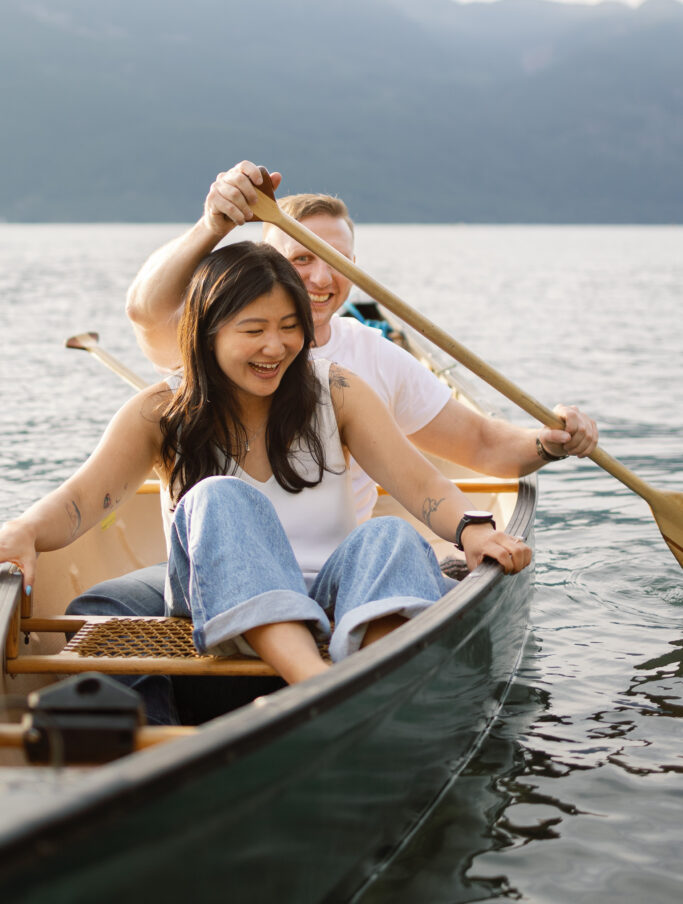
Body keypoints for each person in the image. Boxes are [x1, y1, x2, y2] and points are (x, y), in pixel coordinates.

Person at [0, 244, 530, 717]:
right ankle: (321, 691)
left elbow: (420, 485)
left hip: (334, 604)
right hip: (214, 622)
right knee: (219, 496)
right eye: (253, 331)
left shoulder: (337, 390)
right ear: (207, 333)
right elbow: (81, 500)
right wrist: (25, 530)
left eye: (289, 326)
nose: (275, 347)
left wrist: (473, 529)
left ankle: (379, 690)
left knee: (390, 536)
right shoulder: (160, 411)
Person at [126, 159, 599, 526]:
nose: (321, 277)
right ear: (264, 263)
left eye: (338, 261)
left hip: (332, 574)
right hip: (218, 571)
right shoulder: (213, 343)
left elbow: (481, 445)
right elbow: (145, 311)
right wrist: (214, 225)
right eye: (301, 258)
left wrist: (551, 441)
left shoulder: (372, 356)